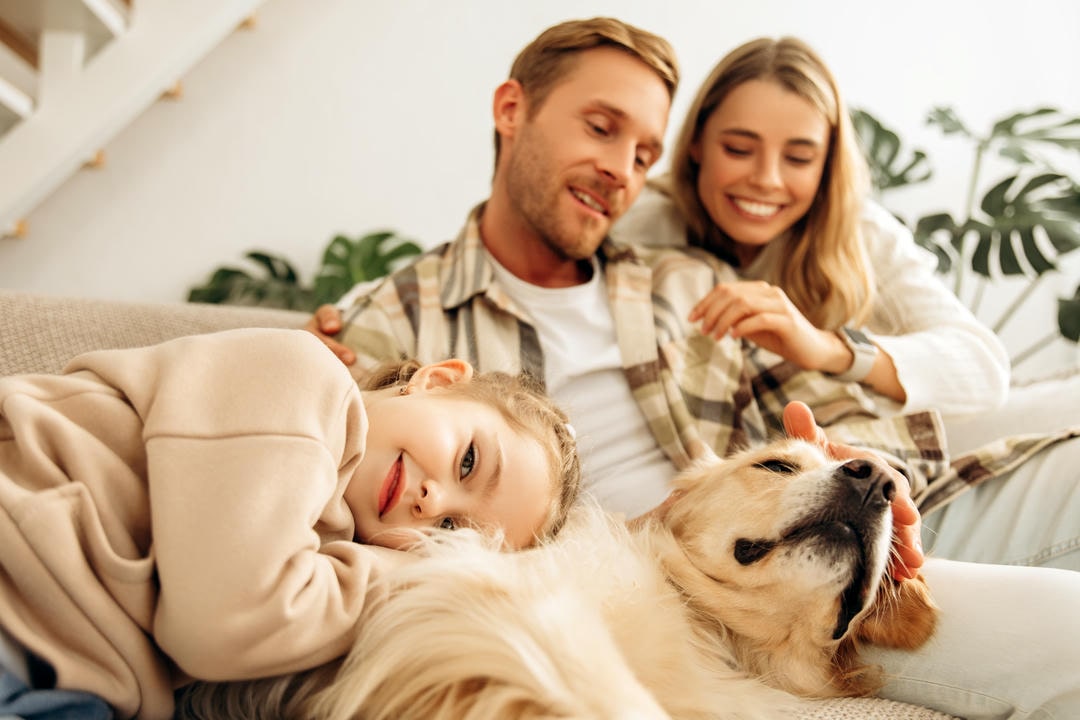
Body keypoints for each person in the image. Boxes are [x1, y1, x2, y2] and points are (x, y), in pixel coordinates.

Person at [306, 17, 1080, 719]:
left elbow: (824, 417)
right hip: (642, 590)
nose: (619, 168)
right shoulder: (396, 318)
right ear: (512, 110)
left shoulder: (685, 281)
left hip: (792, 560)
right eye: (601, 128)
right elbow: (335, 478)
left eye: (643, 153)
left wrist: (872, 472)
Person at [612, 35, 1080, 574]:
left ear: (828, 161)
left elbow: (982, 366)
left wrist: (828, 348)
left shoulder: (861, 235)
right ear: (695, 145)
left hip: (877, 459)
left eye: (799, 157)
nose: (766, 178)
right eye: (738, 149)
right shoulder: (645, 220)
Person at [0, 327, 580, 720]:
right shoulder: (302, 381)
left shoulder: (324, 560)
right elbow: (223, 624)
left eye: (451, 534)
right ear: (439, 380)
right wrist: (418, 576)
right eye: (469, 461)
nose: (432, 501)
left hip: (69, 684)